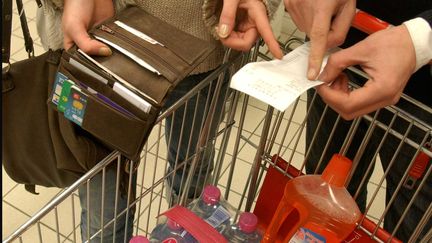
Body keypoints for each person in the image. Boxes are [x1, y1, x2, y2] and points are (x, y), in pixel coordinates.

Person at [36, 0, 282, 242]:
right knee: (105, 209)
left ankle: (185, 234)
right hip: (103, 44)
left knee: (192, 174)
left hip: (203, 48)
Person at [220, 0, 431, 241]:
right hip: (332, 59)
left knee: (408, 227)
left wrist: (421, 37)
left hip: (422, 94)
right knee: (323, 200)